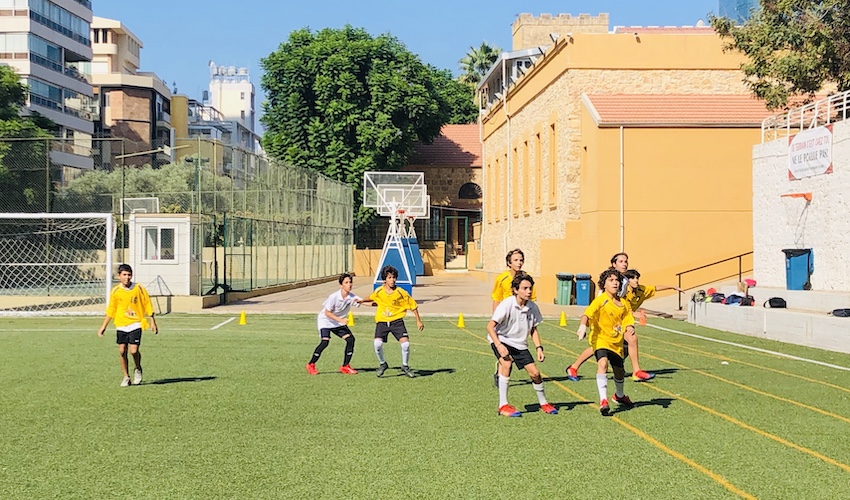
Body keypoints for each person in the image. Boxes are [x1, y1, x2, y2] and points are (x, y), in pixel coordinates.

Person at [565, 252, 655, 382]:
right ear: (614, 264)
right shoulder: (609, 279)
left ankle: (635, 371)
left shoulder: (623, 280)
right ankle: (575, 367)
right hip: (603, 316)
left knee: (626, 340)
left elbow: (623, 301)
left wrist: (627, 315)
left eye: (626, 261)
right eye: (621, 261)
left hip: (616, 317)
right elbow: (602, 300)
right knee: (603, 345)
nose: (624, 264)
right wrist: (585, 324)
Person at [489, 274, 558, 417]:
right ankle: (503, 405)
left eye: (530, 288)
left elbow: (533, 329)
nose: (528, 291)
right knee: (507, 364)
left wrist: (539, 347)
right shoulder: (507, 304)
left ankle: (544, 402)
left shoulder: (532, 307)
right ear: (515, 290)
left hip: (519, 344)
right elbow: (490, 327)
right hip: (501, 339)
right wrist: (499, 345)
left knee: (535, 373)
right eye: (525, 288)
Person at [576, 268, 636, 415]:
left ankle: (619, 396)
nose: (615, 283)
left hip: (616, 341)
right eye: (611, 280)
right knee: (602, 364)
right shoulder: (600, 300)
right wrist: (583, 325)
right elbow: (587, 314)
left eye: (617, 280)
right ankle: (603, 400)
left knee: (619, 371)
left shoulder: (623, 303)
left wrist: (629, 327)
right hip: (600, 339)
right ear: (604, 284)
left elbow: (628, 318)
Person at [97, 264, 158, 387]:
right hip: (121, 324)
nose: (127, 277)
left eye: (129, 275)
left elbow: (147, 303)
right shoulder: (116, 291)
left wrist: (152, 321)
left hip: (136, 323)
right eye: (124, 275)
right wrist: (103, 326)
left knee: (134, 351)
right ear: (119, 276)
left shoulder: (139, 288)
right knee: (121, 350)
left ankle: (137, 368)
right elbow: (111, 309)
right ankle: (126, 376)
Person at [360, 265, 424, 378]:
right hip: (382, 322)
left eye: (394, 277)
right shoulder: (379, 291)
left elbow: (413, 306)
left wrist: (418, 321)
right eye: (390, 277)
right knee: (377, 344)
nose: (393, 280)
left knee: (406, 344)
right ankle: (383, 363)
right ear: (385, 279)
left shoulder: (400, 292)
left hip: (397, 322)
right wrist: (360, 301)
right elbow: (371, 298)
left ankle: (405, 366)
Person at [490, 248, 537, 387]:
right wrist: (496, 317)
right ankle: (500, 375)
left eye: (521, 260)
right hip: (505, 317)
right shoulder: (502, 278)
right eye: (516, 260)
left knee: (514, 346)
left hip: (520, 317)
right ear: (509, 263)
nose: (519, 263)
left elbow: (532, 298)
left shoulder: (526, 278)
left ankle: (501, 373)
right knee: (504, 350)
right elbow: (496, 298)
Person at [306, 273, 363, 375]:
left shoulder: (351, 297)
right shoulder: (334, 297)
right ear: (341, 285)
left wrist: (379, 302)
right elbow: (327, 312)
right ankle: (311, 364)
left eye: (350, 282)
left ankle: (345, 366)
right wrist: (340, 320)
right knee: (325, 342)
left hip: (337, 321)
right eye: (346, 282)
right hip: (325, 320)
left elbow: (363, 302)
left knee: (350, 339)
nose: (349, 284)